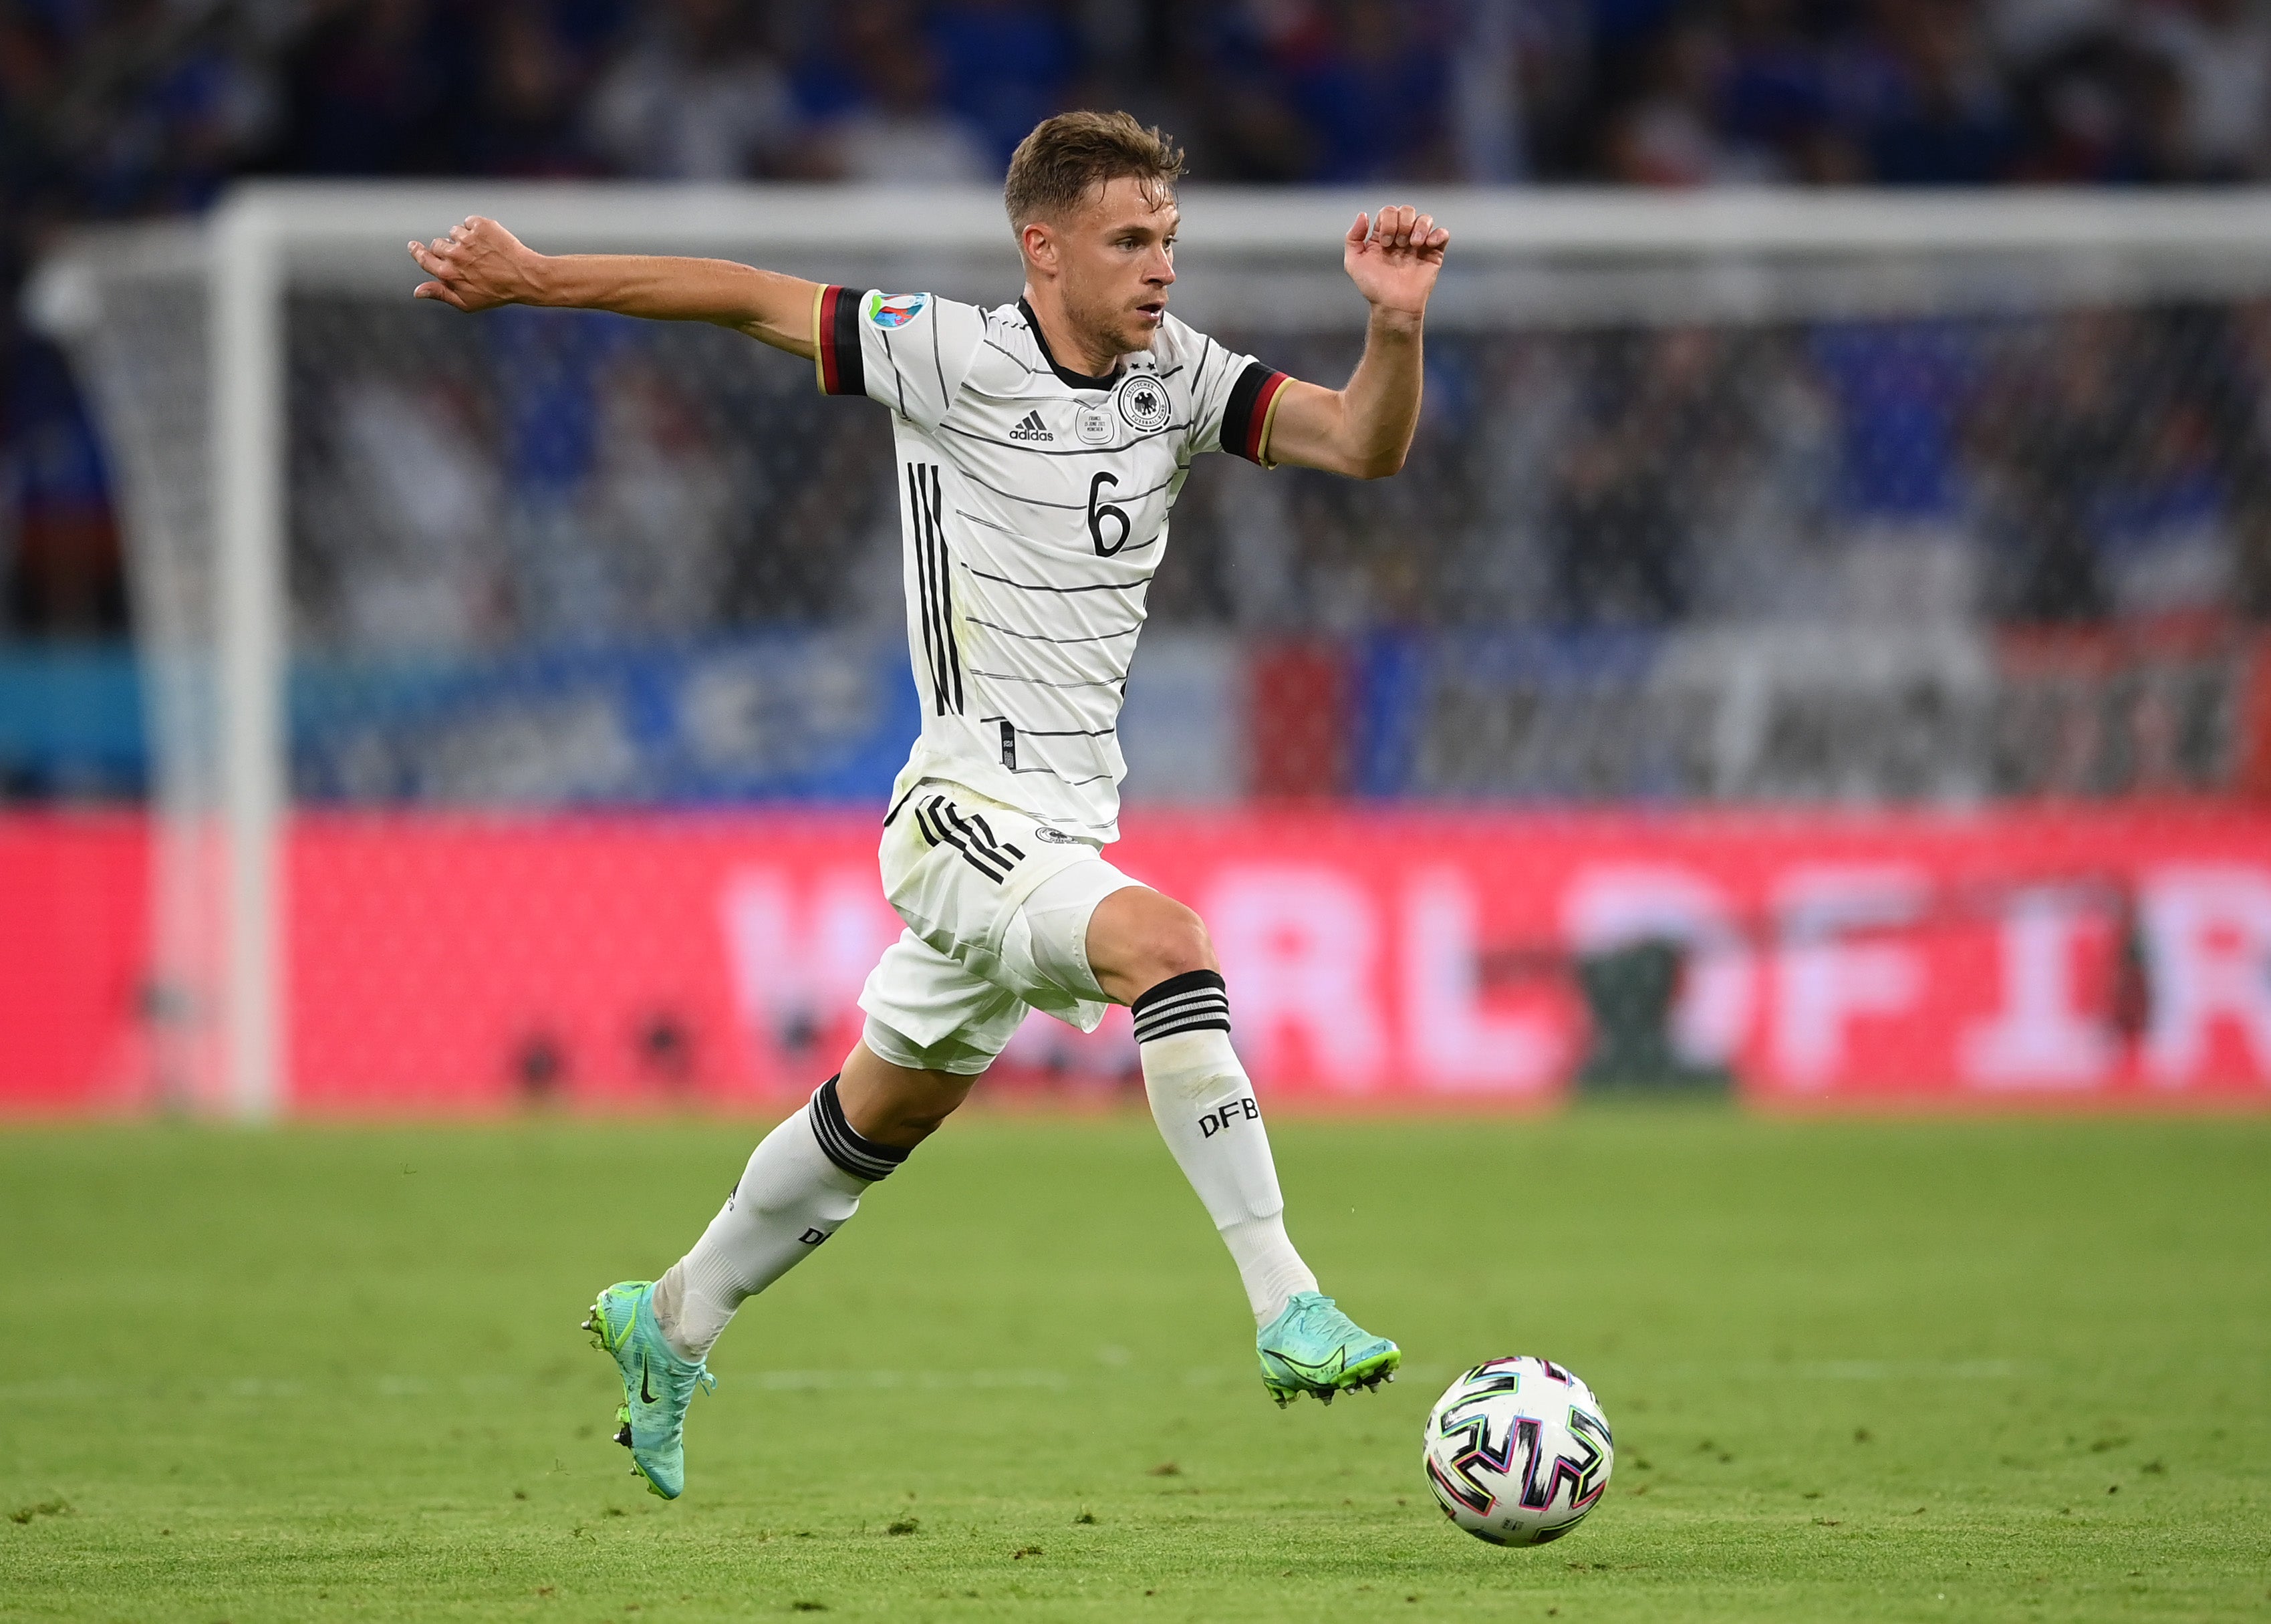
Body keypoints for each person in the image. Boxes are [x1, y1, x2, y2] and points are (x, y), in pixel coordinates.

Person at [408, 110, 1448, 1501]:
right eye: (1130, 242)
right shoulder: (945, 351)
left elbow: (1361, 448)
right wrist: (537, 279)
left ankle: (669, 1320)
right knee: (1171, 947)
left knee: (878, 1118)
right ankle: (1285, 1302)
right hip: (960, 803)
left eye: (1168, 243)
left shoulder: (1181, 378)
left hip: (1066, 824)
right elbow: (737, 294)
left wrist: (1391, 329)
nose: (1160, 270)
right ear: (1044, 248)